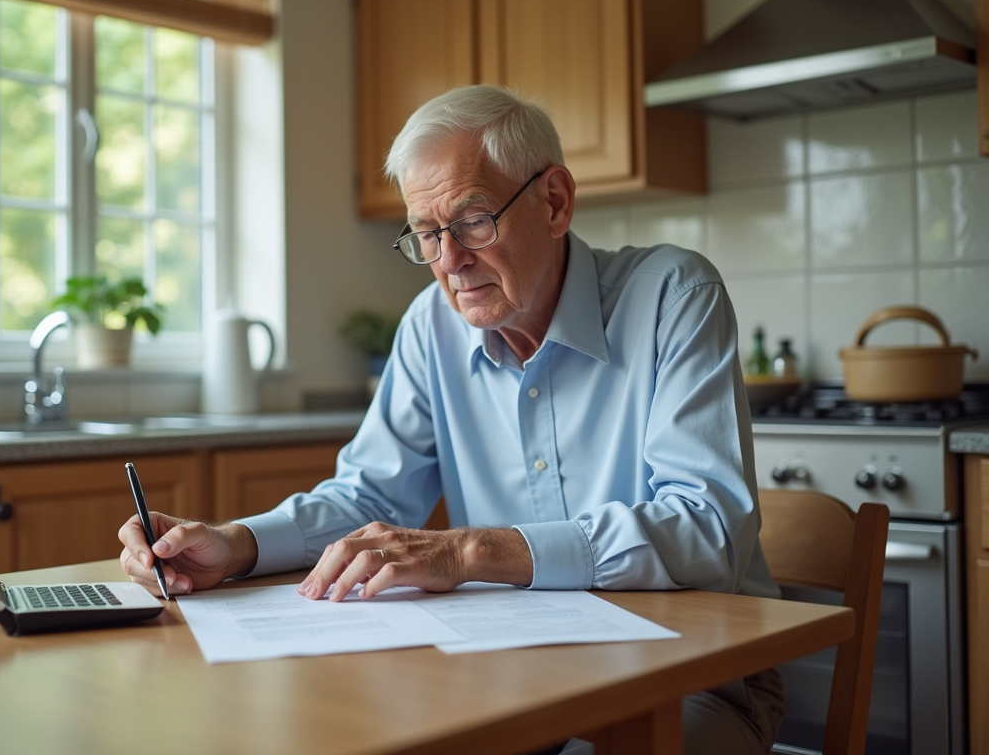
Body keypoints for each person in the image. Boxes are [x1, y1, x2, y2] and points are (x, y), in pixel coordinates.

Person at [119, 84, 784, 754]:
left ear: (554, 201)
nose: (451, 262)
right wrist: (236, 545)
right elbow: (368, 497)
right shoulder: (429, 327)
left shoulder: (674, 294)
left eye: (472, 222)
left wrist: (468, 551)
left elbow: (708, 528)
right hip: (513, 662)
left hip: (688, 674)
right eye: (428, 235)